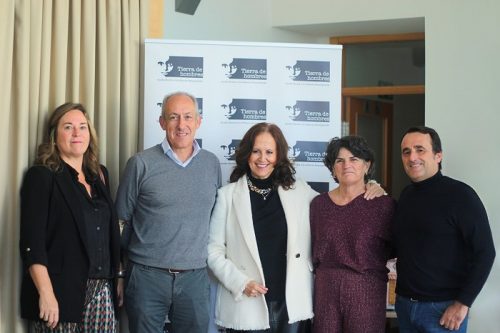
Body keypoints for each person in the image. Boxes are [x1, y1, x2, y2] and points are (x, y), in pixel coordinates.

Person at [207, 124, 384, 332]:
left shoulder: (298, 190)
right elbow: (213, 250)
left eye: (269, 152)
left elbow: (337, 205)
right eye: (256, 151)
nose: (262, 158)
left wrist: (370, 185)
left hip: (291, 305)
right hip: (246, 302)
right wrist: (240, 282)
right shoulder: (227, 196)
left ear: (278, 155)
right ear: (247, 154)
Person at [115, 92, 222, 333]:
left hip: (194, 278)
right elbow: (121, 222)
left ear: (198, 121)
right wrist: (121, 273)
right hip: (146, 277)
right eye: (173, 117)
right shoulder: (140, 164)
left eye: (187, 117)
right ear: (162, 122)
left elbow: (214, 220)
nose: (181, 125)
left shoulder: (211, 164)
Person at [19, 102, 122, 332]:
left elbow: (109, 234)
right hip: (59, 293)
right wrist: (45, 293)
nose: (77, 133)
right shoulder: (42, 176)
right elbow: (32, 244)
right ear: (55, 135)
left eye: (82, 127)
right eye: (68, 127)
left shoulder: (100, 175)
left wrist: (119, 275)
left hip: (102, 290)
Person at [393, 126, 496, 333]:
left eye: (420, 149)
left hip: (442, 311)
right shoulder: (405, 196)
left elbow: (485, 252)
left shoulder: (461, 196)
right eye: (406, 151)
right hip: (404, 306)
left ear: (438, 155)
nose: (412, 157)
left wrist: (462, 303)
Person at [310, 135, 395, 333]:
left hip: (367, 290)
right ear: (332, 168)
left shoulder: (384, 205)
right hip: (325, 291)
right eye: (339, 160)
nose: (346, 165)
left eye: (354, 159)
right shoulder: (318, 205)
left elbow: (395, 250)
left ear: (367, 165)